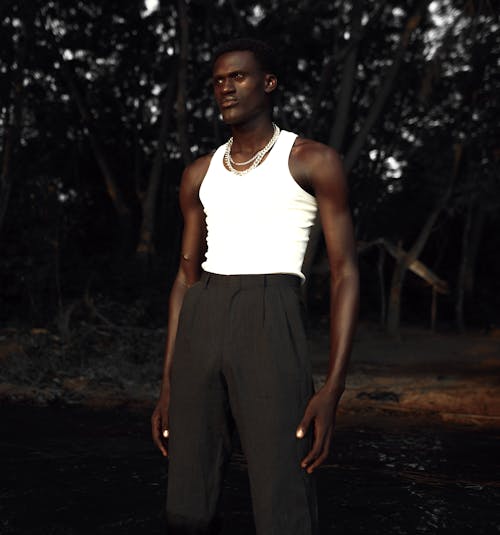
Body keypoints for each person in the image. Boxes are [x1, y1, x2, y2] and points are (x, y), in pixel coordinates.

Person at [151, 38, 359, 535]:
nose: (226, 88)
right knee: (186, 501)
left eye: (238, 77)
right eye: (218, 80)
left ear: (268, 84)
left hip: (271, 314)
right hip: (203, 315)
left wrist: (334, 387)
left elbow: (346, 273)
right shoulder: (198, 174)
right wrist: (167, 382)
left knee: (282, 496)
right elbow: (185, 278)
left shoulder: (313, 161)